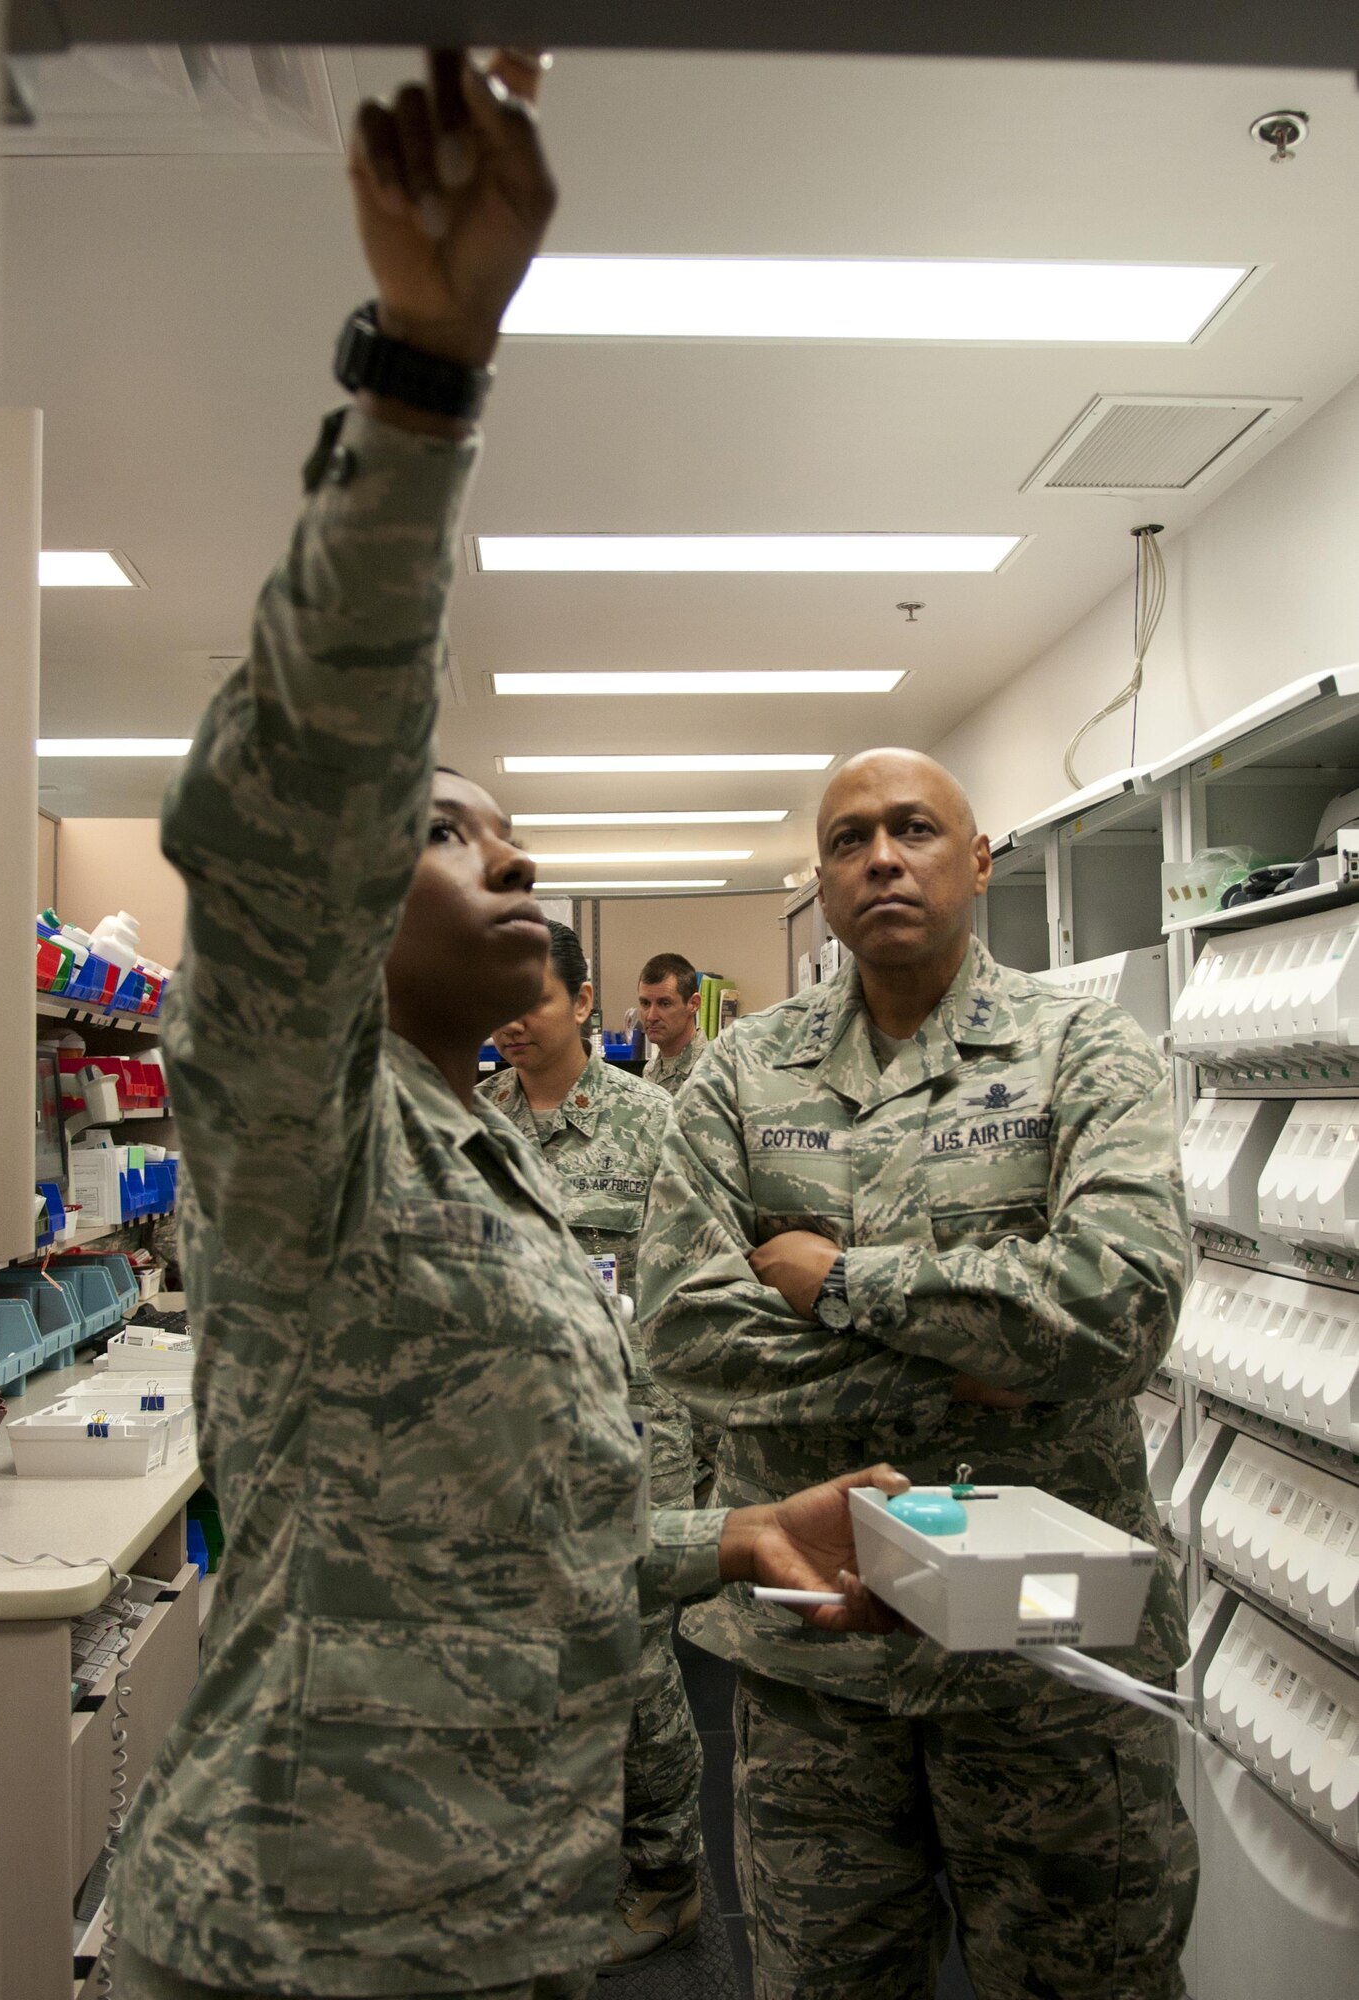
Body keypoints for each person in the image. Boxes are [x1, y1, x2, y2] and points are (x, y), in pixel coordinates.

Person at [105, 52, 905, 2000]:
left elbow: (504, 1542)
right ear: (356, 888)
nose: (516, 861)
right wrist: (423, 374)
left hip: (502, 1922)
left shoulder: (483, 1150)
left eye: (515, 835)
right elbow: (297, 793)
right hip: (309, 1939)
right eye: (453, 834)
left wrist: (730, 1539)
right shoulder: (309, 1116)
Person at [639, 747, 1199, 2000]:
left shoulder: (1085, 1053)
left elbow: (1118, 1308)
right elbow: (682, 1326)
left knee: (1085, 1980)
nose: (879, 856)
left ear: (977, 858)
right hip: (816, 1665)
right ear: (823, 883)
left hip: (1046, 1655)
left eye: (912, 829)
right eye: (847, 839)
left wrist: (843, 1282)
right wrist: (984, 1357)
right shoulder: (740, 1074)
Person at [476, 923, 704, 1970]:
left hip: (632, 1422)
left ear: (581, 999)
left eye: (532, 995)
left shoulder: (652, 1121)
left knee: (634, 1652)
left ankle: (664, 1874)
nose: (512, 1018)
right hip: (503, 1433)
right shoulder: (468, 1123)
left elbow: (703, 1284)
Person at [636, 952, 703, 1098]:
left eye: (664, 1004)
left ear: (693, 1004)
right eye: (645, 1003)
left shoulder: (714, 1069)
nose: (651, 1016)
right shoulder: (650, 1071)